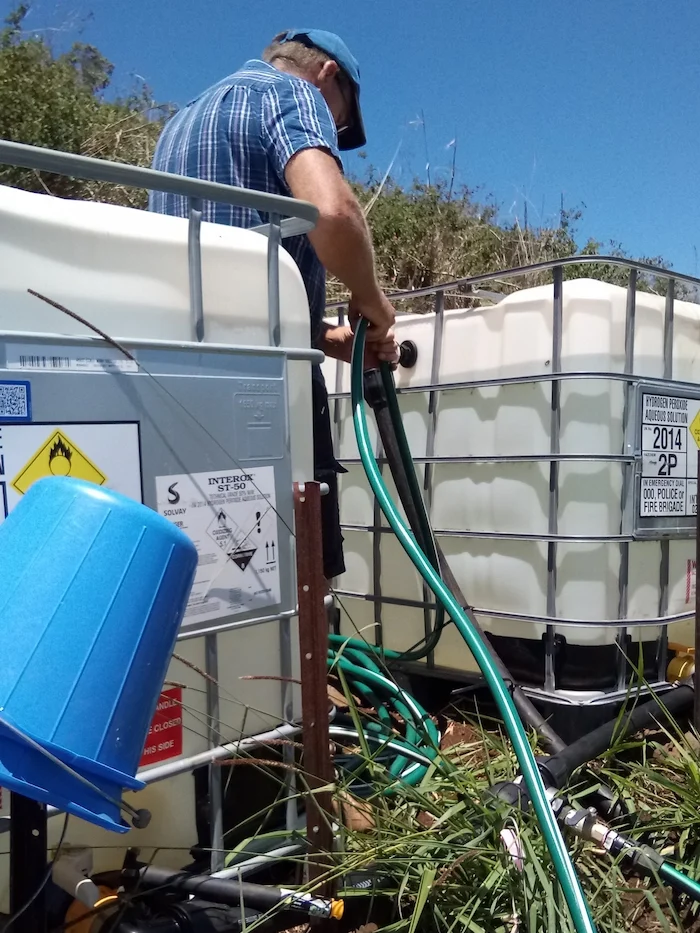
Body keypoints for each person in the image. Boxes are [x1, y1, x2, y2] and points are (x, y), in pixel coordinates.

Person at [149, 28, 398, 583]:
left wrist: (330, 340)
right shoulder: (290, 93)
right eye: (340, 120)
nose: (333, 130)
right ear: (328, 74)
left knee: (214, 578)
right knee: (302, 579)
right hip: (267, 388)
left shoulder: (180, 123)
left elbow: (221, 289)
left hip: (174, 374)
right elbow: (332, 213)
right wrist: (371, 301)